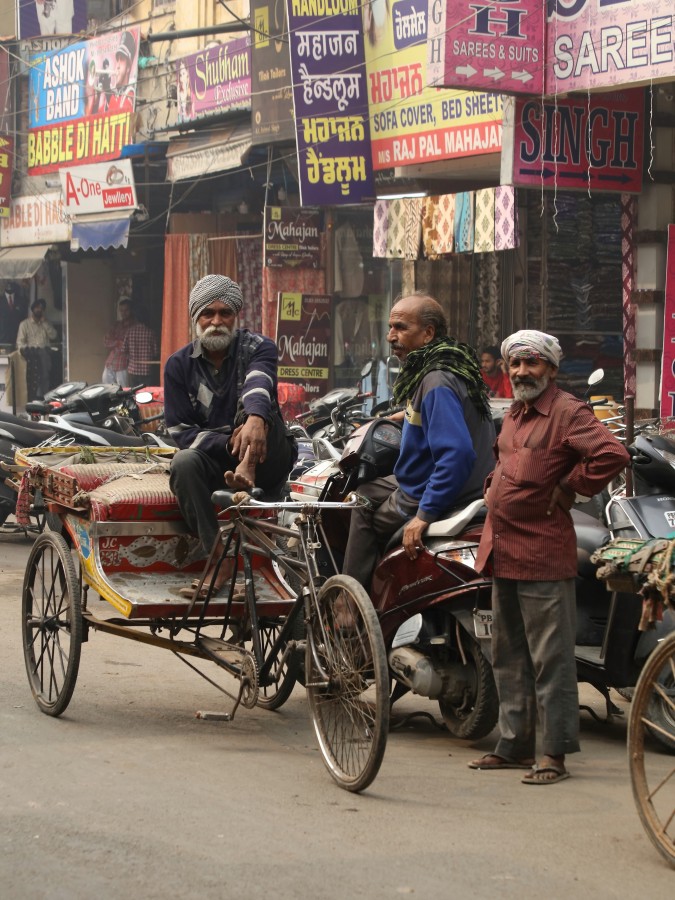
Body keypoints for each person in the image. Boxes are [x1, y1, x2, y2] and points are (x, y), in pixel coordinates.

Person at [470, 329, 630, 785]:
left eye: (532, 364)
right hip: (503, 549)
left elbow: (611, 453)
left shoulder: (566, 411)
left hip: (542, 551)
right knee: (508, 654)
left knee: (550, 660)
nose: (522, 372)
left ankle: (552, 755)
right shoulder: (516, 414)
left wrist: (569, 489)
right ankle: (514, 745)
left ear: (551, 370)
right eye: (515, 364)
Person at [342, 291, 496, 589]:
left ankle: (350, 602)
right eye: (391, 327)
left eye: (401, 328)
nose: (391, 336)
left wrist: (424, 513)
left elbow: (456, 454)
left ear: (428, 334)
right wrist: (398, 416)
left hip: (438, 490)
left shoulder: (435, 380)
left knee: (362, 509)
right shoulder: (450, 365)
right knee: (367, 490)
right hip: (465, 482)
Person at [164, 274, 297, 594]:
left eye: (225, 313)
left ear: (236, 316)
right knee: (183, 463)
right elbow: (181, 431)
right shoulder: (178, 365)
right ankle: (219, 560)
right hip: (220, 461)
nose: (216, 321)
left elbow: (258, 383)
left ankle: (248, 465)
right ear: (196, 317)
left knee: (257, 408)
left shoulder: (259, 347)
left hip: (269, 456)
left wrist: (253, 422)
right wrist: (228, 442)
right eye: (208, 313)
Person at [16, 298, 58, 400]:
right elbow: (20, 343)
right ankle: (33, 399)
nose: (39, 310)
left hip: (44, 355)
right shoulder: (24, 324)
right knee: (32, 381)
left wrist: (44, 323)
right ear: (33, 309)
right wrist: (28, 351)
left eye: (41, 308)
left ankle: (45, 398)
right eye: (37, 308)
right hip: (31, 356)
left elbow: (54, 336)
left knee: (45, 377)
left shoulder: (46, 323)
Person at [102, 298, 135, 386]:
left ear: (131, 310)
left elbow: (128, 346)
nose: (123, 313)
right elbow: (106, 342)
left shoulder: (134, 326)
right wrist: (117, 342)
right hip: (111, 362)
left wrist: (116, 342)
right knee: (107, 389)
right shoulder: (116, 325)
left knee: (124, 391)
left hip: (124, 363)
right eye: (121, 311)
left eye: (126, 310)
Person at [106, 30, 136, 113]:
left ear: (128, 68)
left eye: (122, 59)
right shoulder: (115, 93)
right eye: (117, 60)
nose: (117, 66)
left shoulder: (129, 93)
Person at [123, 317, 158, 384]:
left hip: (132, 369)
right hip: (146, 370)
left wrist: (131, 357)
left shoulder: (129, 332)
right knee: (146, 392)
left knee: (133, 393)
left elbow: (124, 349)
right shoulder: (150, 332)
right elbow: (155, 352)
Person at [0, 282, 27, 347]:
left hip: (18, 337)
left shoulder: (22, 301)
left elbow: (24, 319)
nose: (9, 286)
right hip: (2, 337)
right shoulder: (1, 300)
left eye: (11, 285)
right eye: (7, 284)